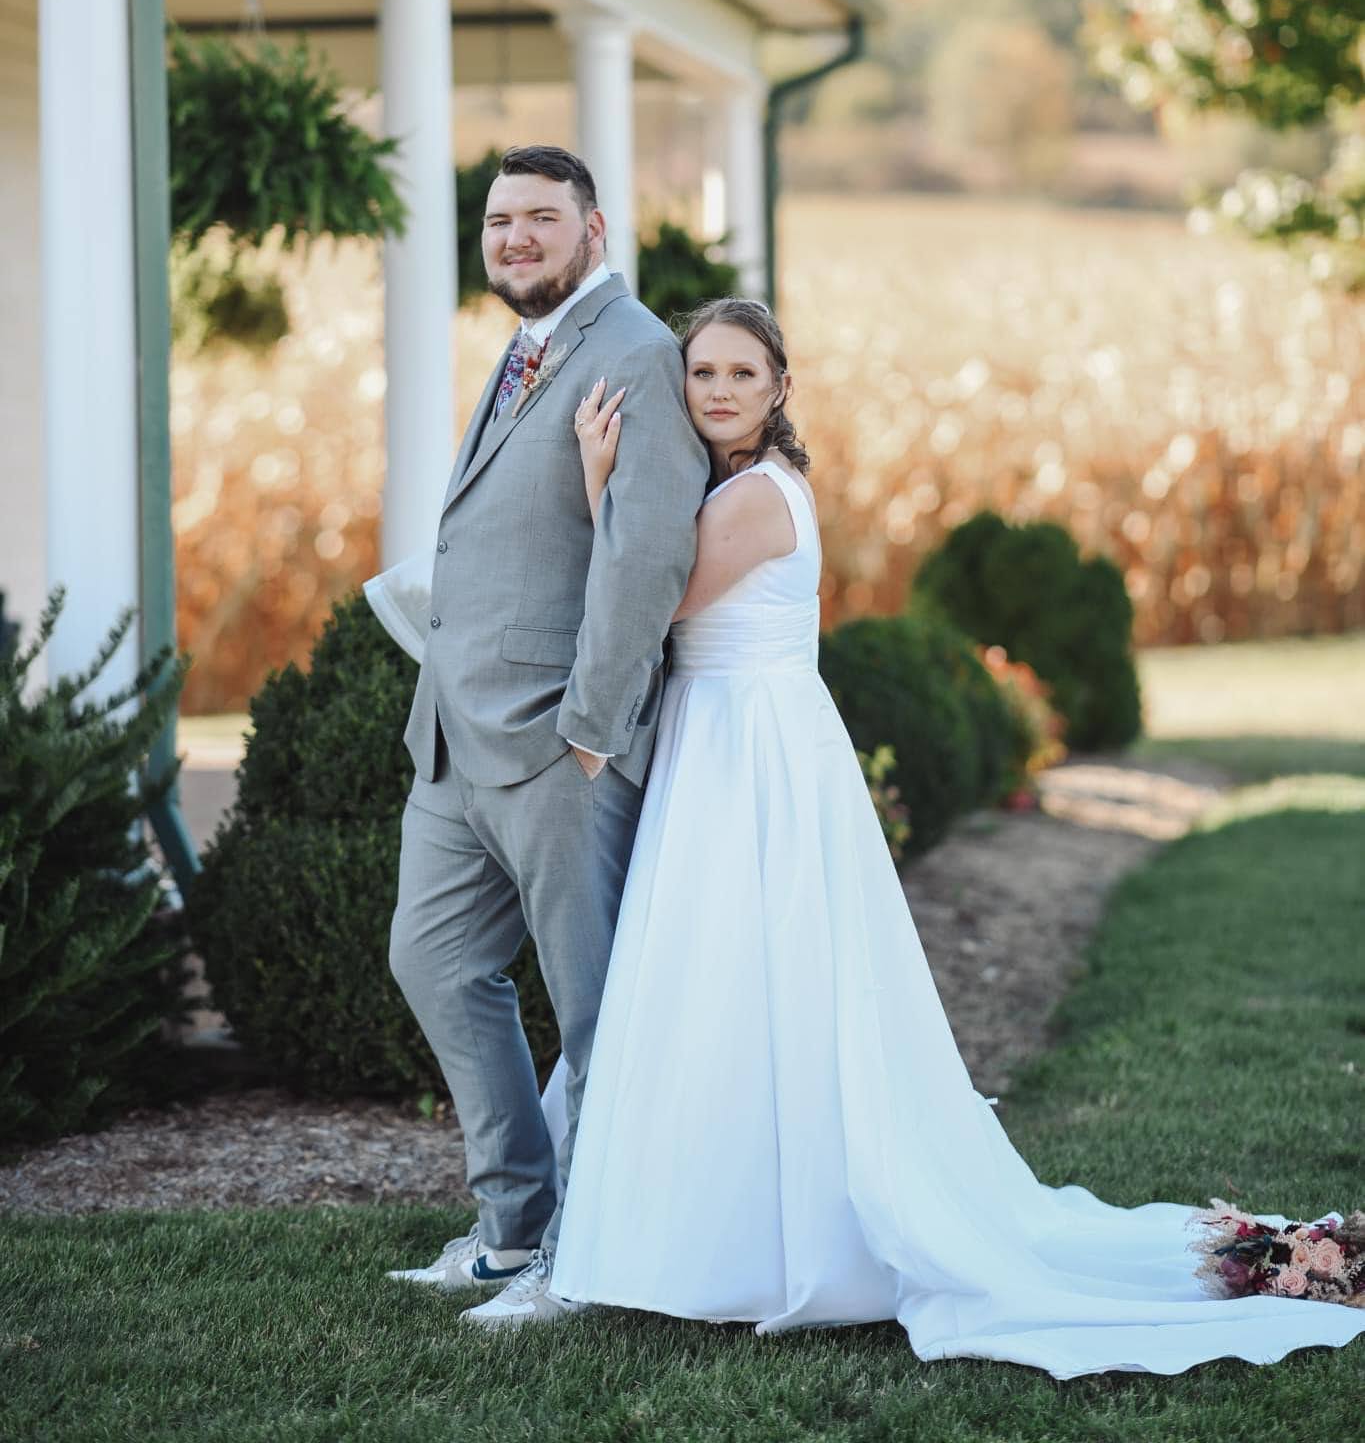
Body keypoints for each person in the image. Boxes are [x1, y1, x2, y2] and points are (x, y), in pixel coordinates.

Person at [466, 295, 1365, 1378]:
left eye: (741, 374)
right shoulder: (727, 483)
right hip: (721, 741)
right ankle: (707, 1223)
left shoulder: (754, 496)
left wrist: (602, 479)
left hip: (751, 752)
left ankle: (763, 1236)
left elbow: (647, 595)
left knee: (761, 979)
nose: (715, 391)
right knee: (720, 983)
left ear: (780, 388)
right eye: (701, 372)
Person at [385, 145, 709, 1315]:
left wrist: (592, 726)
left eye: (538, 217)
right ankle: (515, 1222)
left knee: (596, 1008)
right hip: (455, 735)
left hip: (560, 742)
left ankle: (601, 1249)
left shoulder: (638, 353)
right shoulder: (528, 348)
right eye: (497, 219)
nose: (513, 237)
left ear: (595, 228)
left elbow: (647, 550)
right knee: (431, 957)